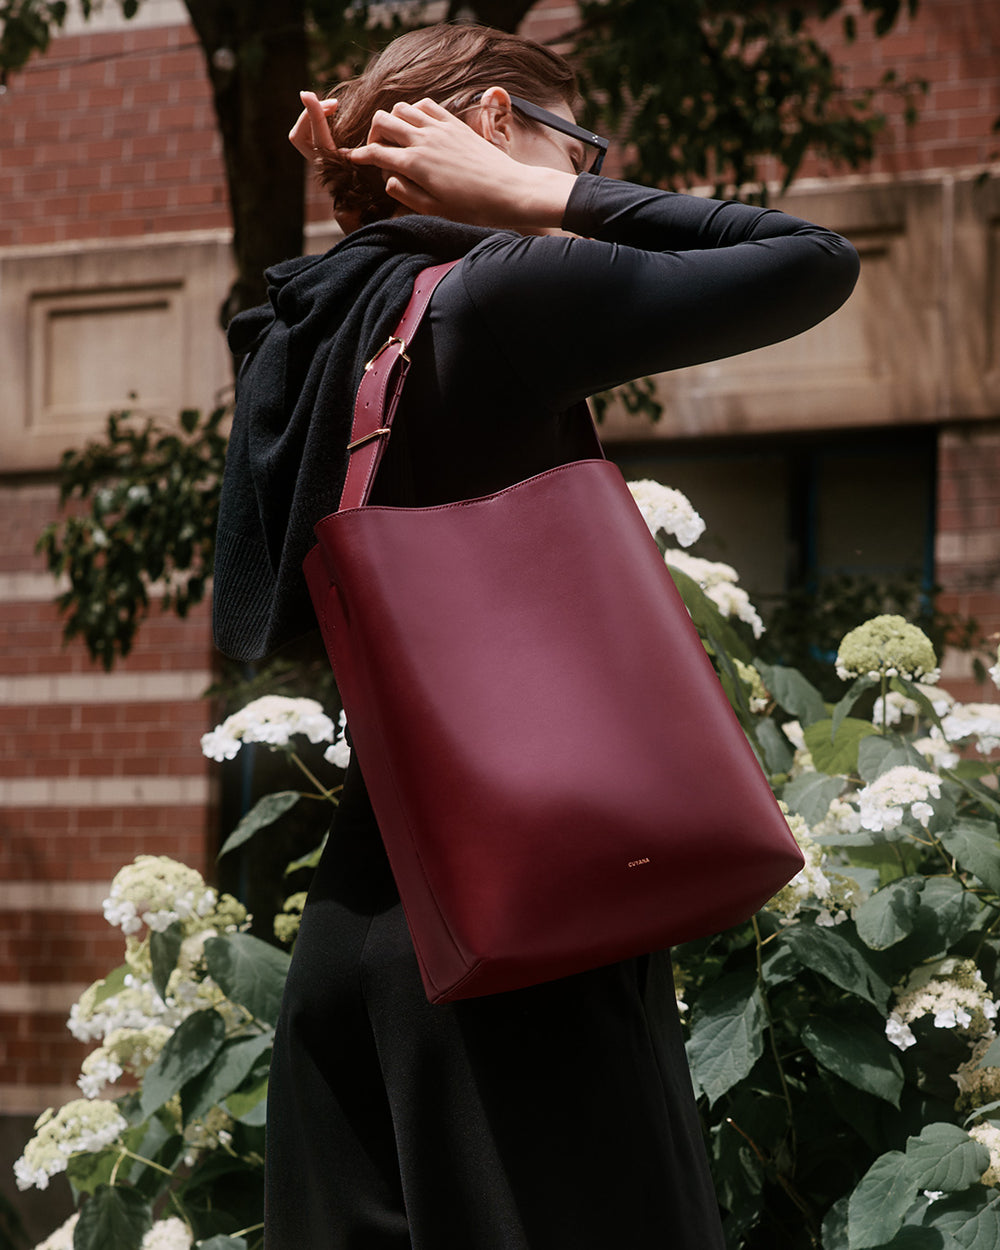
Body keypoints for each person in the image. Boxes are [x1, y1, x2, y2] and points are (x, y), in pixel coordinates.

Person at [212, 22, 859, 1248]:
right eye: (574, 135)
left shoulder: (300, 328)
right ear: (495, 120)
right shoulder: (501, 294)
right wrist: (533, 190)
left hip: (362, 918)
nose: (581, 174)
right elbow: (809, 259)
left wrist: (379, 187)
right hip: (530, 913)